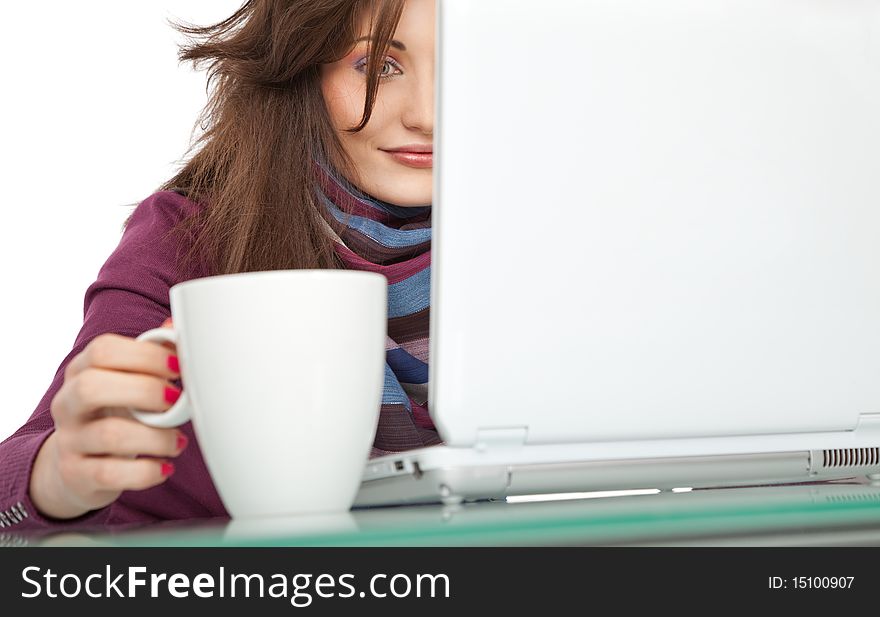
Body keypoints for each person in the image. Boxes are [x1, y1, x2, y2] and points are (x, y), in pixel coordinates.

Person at [0, 0, 439, 533]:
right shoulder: (187, 237)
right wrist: (57, 479)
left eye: (462, 69)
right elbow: (20, 481)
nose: (426, 115)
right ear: (302, 69)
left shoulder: (534, 253)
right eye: (376, 66)